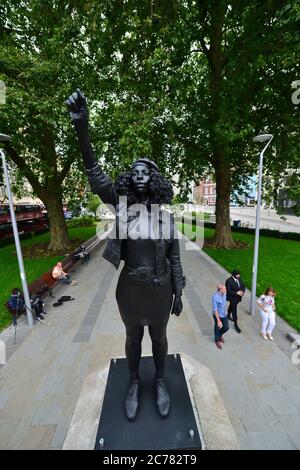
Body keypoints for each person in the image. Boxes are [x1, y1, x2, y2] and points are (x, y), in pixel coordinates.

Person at [65, 89, 186, 422]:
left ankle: (159, 381)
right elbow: (95, 175)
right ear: (130, 180)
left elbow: (175, 257)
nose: (141, 175)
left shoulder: (166, 218)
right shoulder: (122, 209)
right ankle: (133, 381)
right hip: (130, 290)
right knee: (133, 336)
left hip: (161, 290)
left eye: (147, 171)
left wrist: (179, 292)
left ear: (156, 180)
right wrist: (81, 126)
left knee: (159, 337)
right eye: (136, 171)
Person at [225, 269, 245, 333]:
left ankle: (228, 315)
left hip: (238, 298)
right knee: (234, 310)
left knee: (232, 306)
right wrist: (237, 293)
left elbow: (243, 286)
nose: (239, 275)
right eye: (237, 274)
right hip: (232, 298)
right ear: (233, 275)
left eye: (239, 274)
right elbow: (229, 291)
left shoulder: (239, 279)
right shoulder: (228, 281)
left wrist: (242, 291)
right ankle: (236, 324)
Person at [212, 284, 229, 350]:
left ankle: (219, 335)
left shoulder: (224, 293)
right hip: (218, 315)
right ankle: (217, 340)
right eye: (224, 289)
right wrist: (218, 320)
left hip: (224, 314)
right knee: (217, 327)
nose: (226, 290)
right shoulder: (215, 297)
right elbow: (215, 310)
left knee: (226, 327)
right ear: (220, 290)